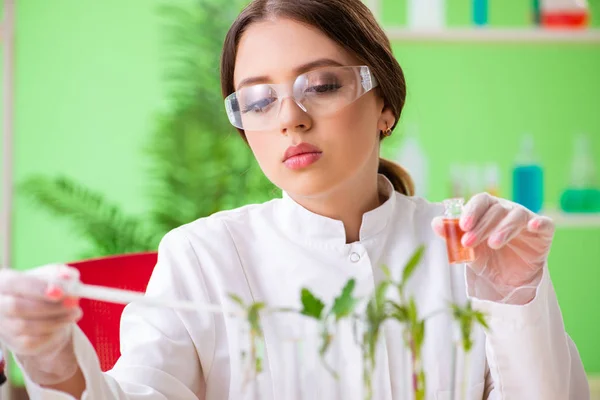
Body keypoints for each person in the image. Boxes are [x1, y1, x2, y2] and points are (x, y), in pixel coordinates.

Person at [0, 0, 589, 399]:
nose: (290, 118)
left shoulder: (471, 246)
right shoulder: (202, 256)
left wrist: (514, 295)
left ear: (384, 103)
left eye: (323, 86)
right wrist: (53, 358)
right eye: (257, 100)